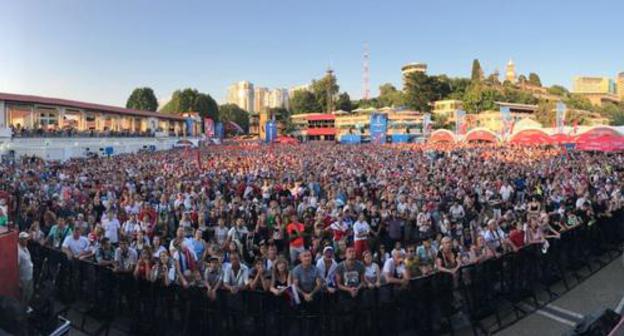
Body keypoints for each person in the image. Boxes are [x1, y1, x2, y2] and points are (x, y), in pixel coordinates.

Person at [17, 232, 33, 304]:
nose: (27, 240)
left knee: (29, 293)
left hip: (29, 276)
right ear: (20, 240)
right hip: (23, 279)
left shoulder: (25, 247)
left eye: (27, 239)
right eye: (25, 239)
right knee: (23, 296)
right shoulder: (18, 252)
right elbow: (17, 267)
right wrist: (18, 281)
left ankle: (26, 307)